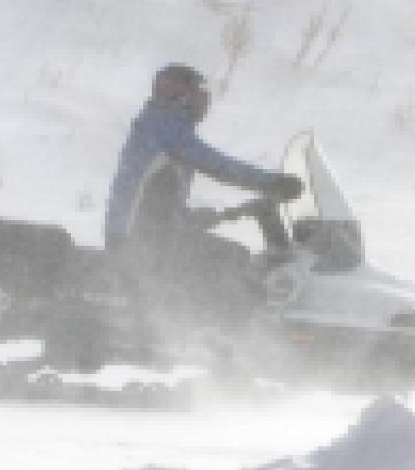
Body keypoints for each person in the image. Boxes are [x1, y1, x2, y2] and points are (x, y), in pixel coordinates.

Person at [105, 63, 302, 328]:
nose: (204, 104)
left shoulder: (159, 128)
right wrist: (272, 183)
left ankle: (196, 329)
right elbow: (219, 166)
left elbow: (157, 204)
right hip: (139, 242)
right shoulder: (164, 129)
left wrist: (210, 215)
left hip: (146, 237)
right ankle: (226, 337)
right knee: (233, 260)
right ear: (182, 97)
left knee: (219, 259)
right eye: (199, 95)